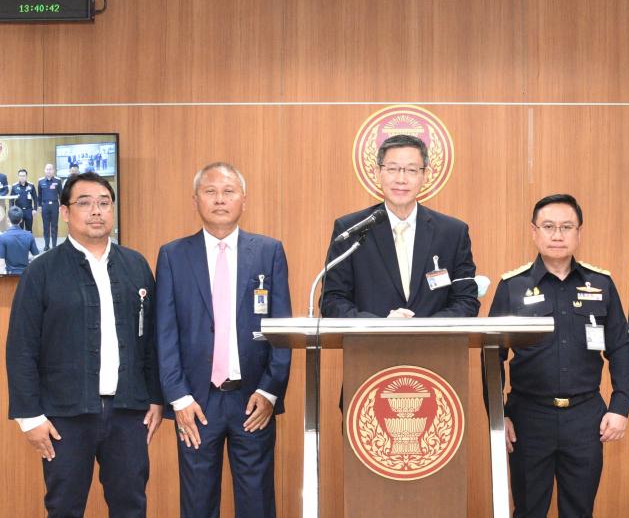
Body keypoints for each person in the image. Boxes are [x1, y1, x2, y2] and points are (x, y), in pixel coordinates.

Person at [6, 172, 162, 517]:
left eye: (104, 203)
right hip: (64, 417)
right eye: (85, 203)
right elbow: (21, 348)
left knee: (131, 506)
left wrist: (155, 397)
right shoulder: (41, 271)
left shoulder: (136, 265)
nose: (96, 211)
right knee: (63, 508)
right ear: (64, 212)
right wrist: (29, 418)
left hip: (128, 413)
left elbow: (151, 340)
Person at [155, 162, 292, 518]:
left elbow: (282, 329)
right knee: (197, 504)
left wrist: (270, 391)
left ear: (243, 200)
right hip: (196, 403)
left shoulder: (268, 251)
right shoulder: (172, 255)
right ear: (195, 200)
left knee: (257, 502)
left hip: (253, 401)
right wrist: (179, 398)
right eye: (210, 192)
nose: (220, 199)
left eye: (228, 192)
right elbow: (165, 334)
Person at [490, 194, 629, 517]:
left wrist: (620, 406)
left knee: (580, 510)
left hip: (585, 417)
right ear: (534, 231)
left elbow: (621, 348)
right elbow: (493, 356)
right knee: (528, 510)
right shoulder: (512, 286)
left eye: (566, 227)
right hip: (528, 418)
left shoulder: (601, 283)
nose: (557, 235)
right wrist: (499, 416)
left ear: (579, 232)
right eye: (549, 227)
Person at [322, 134, 479, 319]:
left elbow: (466, 301)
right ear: (377, 173)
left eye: (411, 170)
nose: (401, 179)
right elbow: (332, 301)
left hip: (434, 338)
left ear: (425, 175)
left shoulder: (452, 233)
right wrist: (380, 327)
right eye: (392, 169)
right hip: (370, 338)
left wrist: (423, 329)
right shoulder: (351, 230)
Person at [0, 206, 39, 274]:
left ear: (8, 219)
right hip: (26, 274)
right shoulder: (29, 235)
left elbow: (1, 262)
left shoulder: (3, 237)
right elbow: (37, 258)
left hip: (10, 275)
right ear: (21, 220)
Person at [38, 163, 64, 252]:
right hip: (45, 206)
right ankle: (46, 245)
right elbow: (39, 195)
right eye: (47, 169)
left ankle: (54, 245)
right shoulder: (41, 181)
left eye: (50, 169)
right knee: (45, 226)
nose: (48, 171)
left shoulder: (58, 181)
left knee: (54, 226)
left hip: (54, 206)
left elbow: (61, 195)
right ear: (44, 170)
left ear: (53, 171)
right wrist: (39, 206)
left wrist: (61, 206)